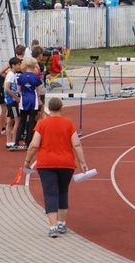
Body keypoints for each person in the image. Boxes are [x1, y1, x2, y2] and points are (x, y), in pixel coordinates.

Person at [24, 96, 89, 238]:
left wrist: (27, 161)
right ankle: (62, 224)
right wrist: (82, 162)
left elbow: (34, 145)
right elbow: (76, 144)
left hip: (46, 164)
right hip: (66, 164)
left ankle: (52, 227)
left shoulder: (42, 124)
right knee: (63, 191)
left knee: (50, 194)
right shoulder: (68, 123)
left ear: (49, 109)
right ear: (61, 108)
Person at [14, 56, 44, 150]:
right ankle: (28, 143)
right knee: (31, 122)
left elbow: (18, 90)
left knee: (22, 121)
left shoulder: (21, 77)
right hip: (33, 100)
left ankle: (16, 142)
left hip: (24, 100)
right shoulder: (36, 77)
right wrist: (38, 99)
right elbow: (39, 91)